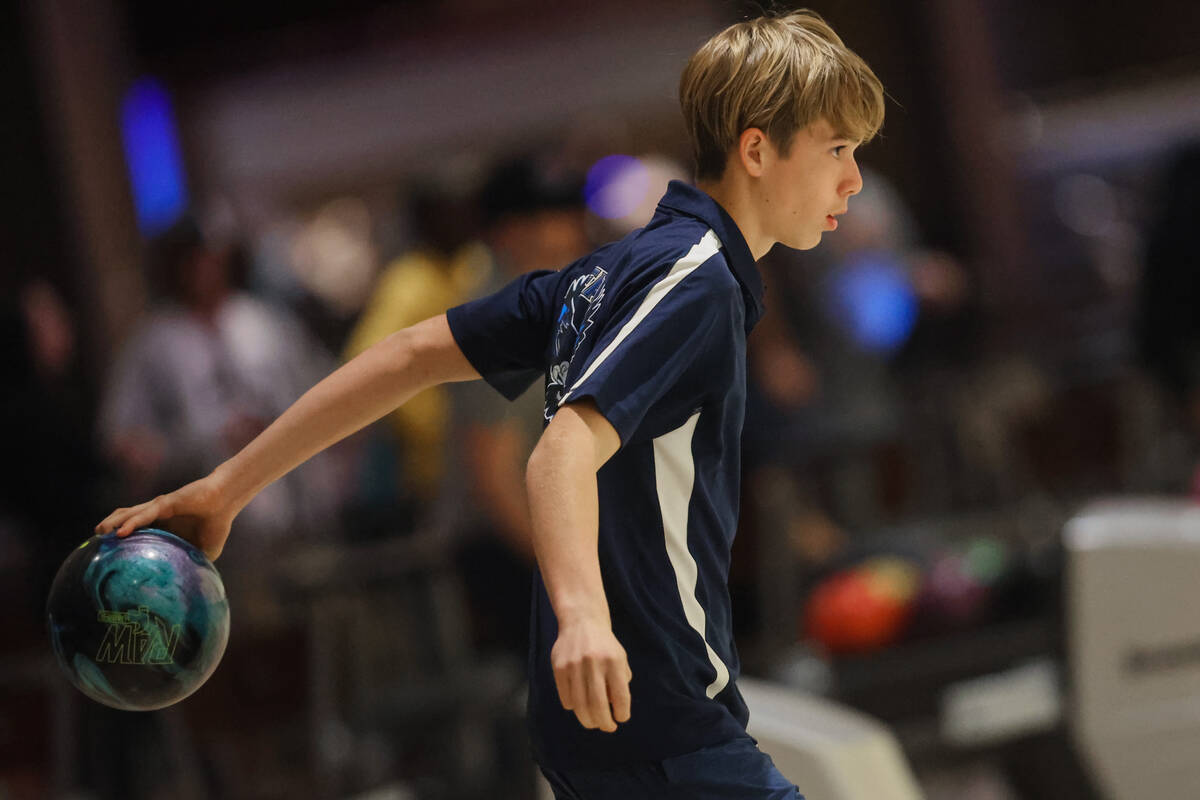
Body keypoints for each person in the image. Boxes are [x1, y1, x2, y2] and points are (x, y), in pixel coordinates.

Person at [96, 10, 884, 799]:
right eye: (837, 150)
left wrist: (225, 487)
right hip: (661, 719)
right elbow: (561, 452)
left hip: (607, 727)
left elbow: (407, 357)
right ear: (757, 150)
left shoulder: (608, 272)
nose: (852, 179)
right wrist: (583, 618)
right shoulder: (696, 282)